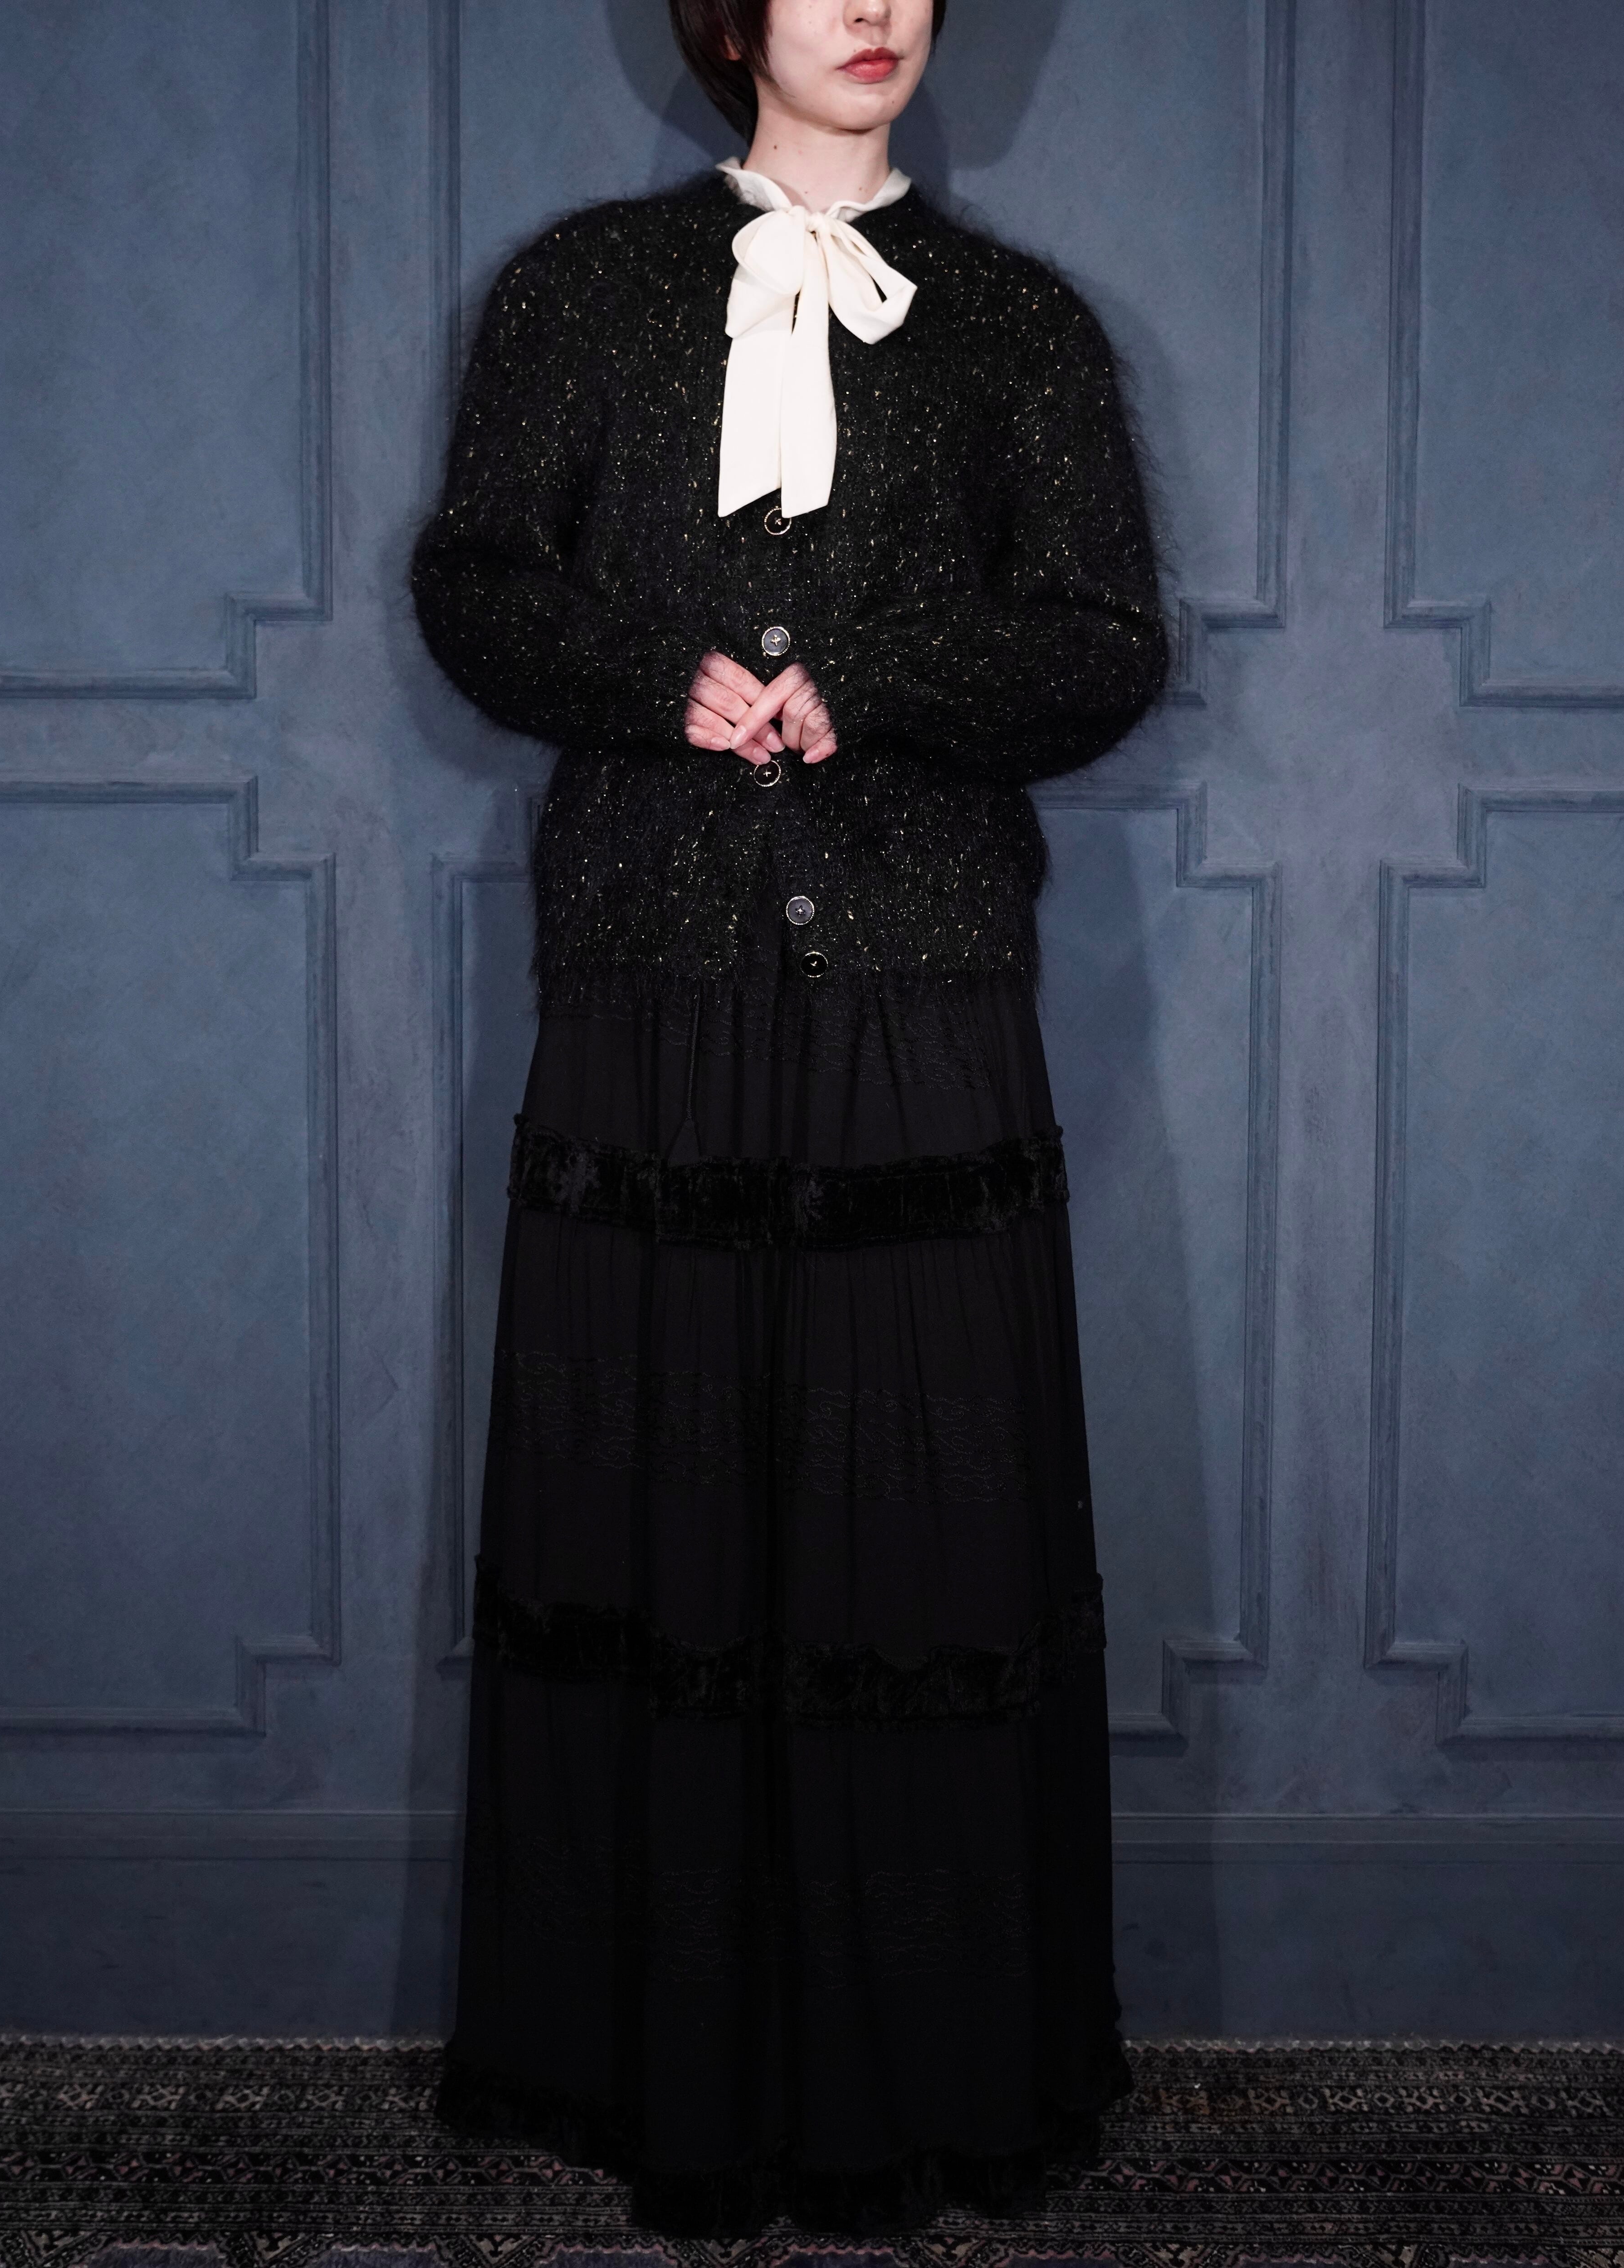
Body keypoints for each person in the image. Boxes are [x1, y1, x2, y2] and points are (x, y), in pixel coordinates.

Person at [410, 0, 1169, 2237]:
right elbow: (474, 577)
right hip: (649, 977)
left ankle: (920, 2071)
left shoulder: (1017, 328)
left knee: (910, 1530)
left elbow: (1101, 641)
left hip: (917, 986)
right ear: (728, 14)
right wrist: (654, 680)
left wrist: (880, 686)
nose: (876, 10)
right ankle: (652, 2066)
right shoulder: (576, 293)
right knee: (659, 1505)